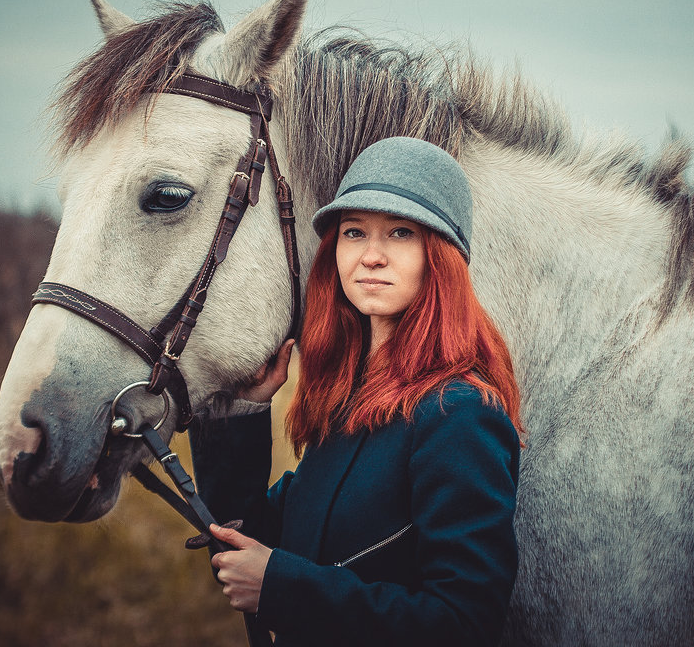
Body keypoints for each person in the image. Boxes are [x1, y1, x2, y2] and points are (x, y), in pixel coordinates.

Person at [189, 136, 523, 647]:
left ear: (442, 257)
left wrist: (281, 588)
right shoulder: (347, 402)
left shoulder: (460, 414)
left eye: (400, 232)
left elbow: (462, 625)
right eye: (353, 232)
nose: (371, 256)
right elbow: (247, 539)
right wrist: (241, 410)